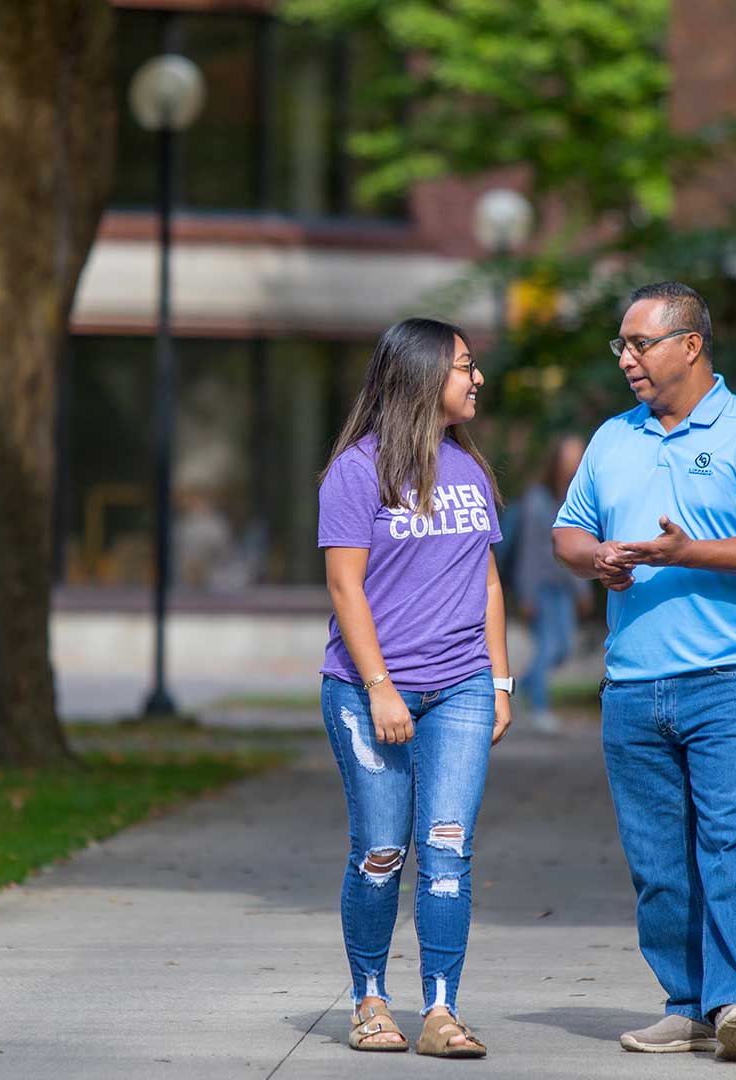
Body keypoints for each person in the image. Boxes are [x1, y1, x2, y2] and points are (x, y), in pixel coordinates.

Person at [552, 282, 736, 1063]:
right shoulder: (612, 440)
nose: (627, 359)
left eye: (640, 344)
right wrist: (596, 558)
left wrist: (683, 551)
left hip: (728, 678)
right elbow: (567, 531)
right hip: (631, 686)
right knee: (658, 862)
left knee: (729, 842)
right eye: (621, 346)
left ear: (690, 345)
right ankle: (687, 1004)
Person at [318, 316, 513, 1059]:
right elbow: (345, 586)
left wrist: (499, 681)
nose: (477, 378)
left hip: (461, 685)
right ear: (428, 375)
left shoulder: (471, 469)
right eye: (467, 365)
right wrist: (380, 687)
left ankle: (440, 1011)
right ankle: (369, 1001)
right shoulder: (356, 472)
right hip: (370, 690)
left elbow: (488, 582)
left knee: (448, 848)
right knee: (380, 851)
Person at [512, 435, 593, 732]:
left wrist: (581, 589)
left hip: (564, 587)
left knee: (563, 648)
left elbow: (578, 546)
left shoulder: (572, 497)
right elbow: (531, 552)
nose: (575, 462)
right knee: (548, 647)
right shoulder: (538, 499)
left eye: (579, 455)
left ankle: (522, 687)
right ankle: (540, 709)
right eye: (569, 455)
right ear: (556, 459)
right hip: (542, 588)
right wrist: (527, 593)